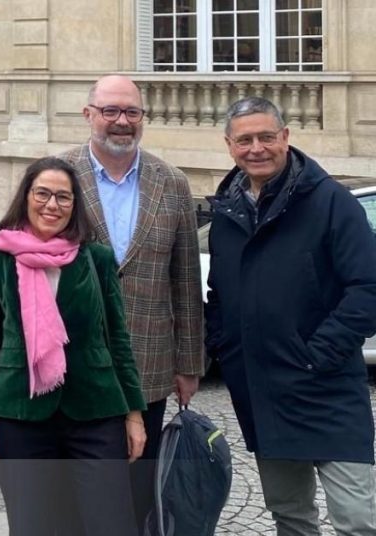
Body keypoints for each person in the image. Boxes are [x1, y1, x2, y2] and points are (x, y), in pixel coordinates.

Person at [206, 96, 376, 536]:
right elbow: (220, 293)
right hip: (264, 390)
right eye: (245, 140)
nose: (256, 148)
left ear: (285, 137)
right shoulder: (227, 213)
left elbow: (368, 288)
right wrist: (227, 349)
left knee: (357, 520)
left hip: (329, 385)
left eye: (266, 136)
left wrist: (318, 353)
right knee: (290, 516)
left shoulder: (333, 202)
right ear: (229, 146)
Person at [59, 74, 204, 530]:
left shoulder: (172, 183)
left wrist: (189, 364)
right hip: (72, 364)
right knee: (76, 488)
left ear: (143, 117)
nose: (121, 122)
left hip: (149, 362)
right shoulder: (57, 175)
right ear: (88, 115)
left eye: (132, 112)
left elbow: (184, 279)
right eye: (110, 111)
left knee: (140, 486)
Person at [0, 157, 146, 535]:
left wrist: (134, 413)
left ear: (75, 205)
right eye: (44, 194)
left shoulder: (97, 258)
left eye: (64, 198)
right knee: (33, 524)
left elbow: (117, 337)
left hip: (95, 410)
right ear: (26, 197)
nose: (53, 205)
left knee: (110, 523)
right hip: (20, 411)